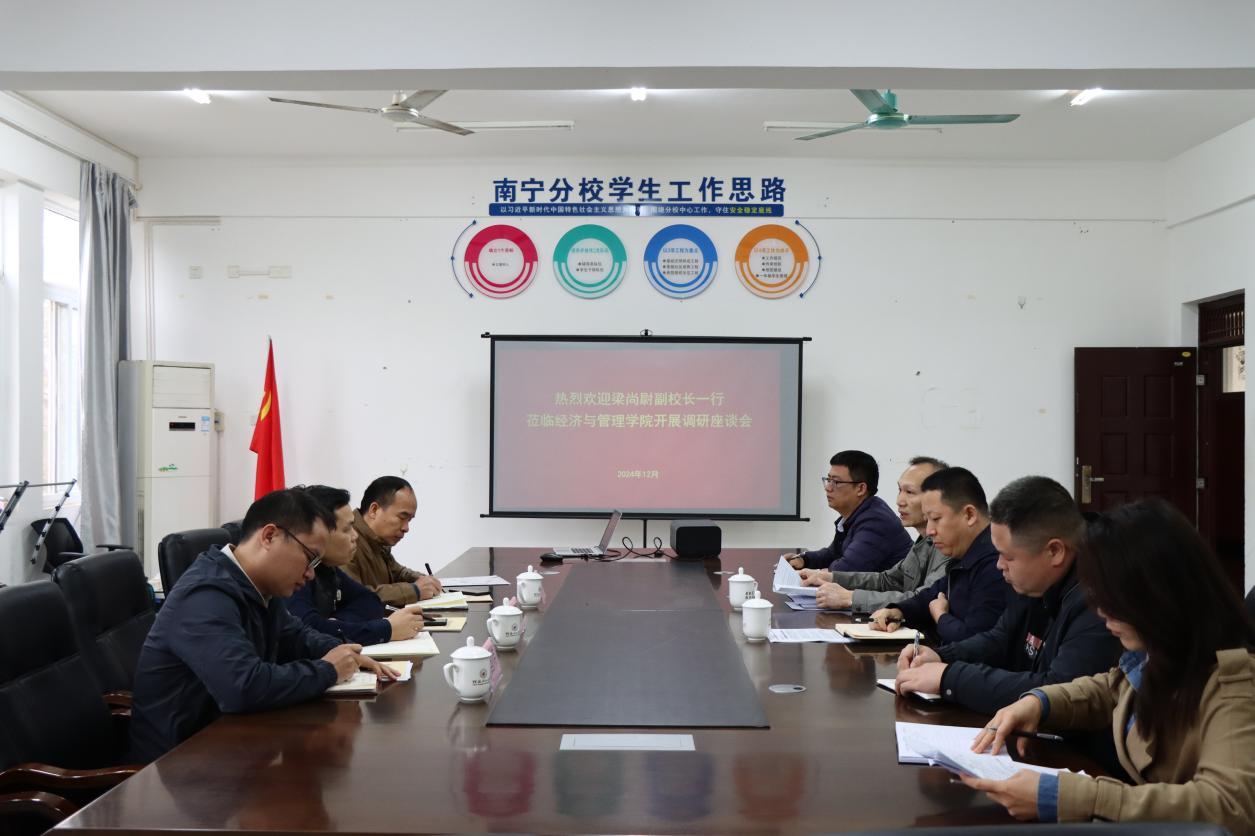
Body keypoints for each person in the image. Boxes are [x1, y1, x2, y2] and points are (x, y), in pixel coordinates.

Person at [964, 499, 1255, 829]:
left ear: (1159, 593)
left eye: (1112, 595)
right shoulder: (1158, 655)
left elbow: (1229, 805)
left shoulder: (1235, 684)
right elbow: (1110, 689)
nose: (1101, 610)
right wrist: (1039, 702)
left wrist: (1071, 797)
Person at [130, 488, 394, 762]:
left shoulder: (258, 586)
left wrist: (346, 653)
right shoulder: (204, 596)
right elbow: (243, 687)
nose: (310, 573)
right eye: (309, 557)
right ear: (269, 536)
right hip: (177, 765)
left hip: (230, 746)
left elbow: (296, 636)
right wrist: (329, 670)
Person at [894, 476, 1122, 712]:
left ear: (1054, 551)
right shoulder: (1034, 582)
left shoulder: (1099, 601)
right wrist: (940, 656)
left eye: (1008, 556)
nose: (999, 565)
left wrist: (949, 678)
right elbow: (1000, 639)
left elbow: (1058, 692)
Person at [868, 467, 1007, 643]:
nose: (929, 531)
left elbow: (976, 644)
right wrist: (898, 612)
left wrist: (941, 616)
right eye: (928, 520)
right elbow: (932, 595)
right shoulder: (965, 553)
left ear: (970, 514)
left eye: (936, 519)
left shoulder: (996, 564)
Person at [800, 456, 952, 613]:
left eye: (910, 492)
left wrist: (850, 598)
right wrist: (831, 577)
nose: (899, 501)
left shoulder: (949, 546)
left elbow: (923, 599)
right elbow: (889, 580)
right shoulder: (924, 542)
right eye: (900, 490)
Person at [285, 485, 426, 645]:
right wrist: (386, 629)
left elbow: (371, 601)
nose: (355, 536)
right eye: (347, 529)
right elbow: (309, 630)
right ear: (319, 531)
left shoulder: (327, 567)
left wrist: (337, 624)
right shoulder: (294, 572)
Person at [783, 450, 912, 575]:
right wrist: (804, 560)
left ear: (861, 489)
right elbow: (833, 554)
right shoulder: (856, 514)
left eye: (836, 482)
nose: (828, 487)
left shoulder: (876, 521)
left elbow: (845, 571)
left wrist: (813, 573)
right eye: (828, 480)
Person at [344, 476, 443, 607]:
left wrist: (423, 580)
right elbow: (354, 597)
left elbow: (397, 572)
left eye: (409, 520)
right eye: (402, 517)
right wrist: (415, 590)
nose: (406, 528)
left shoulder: (376, 540)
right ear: (374, 510)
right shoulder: (344, 541)